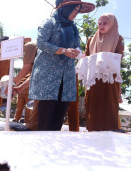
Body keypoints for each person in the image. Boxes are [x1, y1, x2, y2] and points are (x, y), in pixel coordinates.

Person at [27, 0, 95, 131]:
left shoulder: (73, 28)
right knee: (46, 113)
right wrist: (63, 50)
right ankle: (41, 144)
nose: (76, 13)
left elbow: (77, 46)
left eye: (78, 10)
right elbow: (41, 42)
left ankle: (53, 145)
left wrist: (78, 53)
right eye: (74, 9)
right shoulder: (49, 22)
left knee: (60, 111)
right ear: (66, 8)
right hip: (48, 76)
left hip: (66, 76)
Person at [84, 13, 124, 131]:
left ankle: (110, 132)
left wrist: (102, 58)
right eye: (99, 23)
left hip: (110, 77)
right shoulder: (91, 39)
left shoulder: (118, 39)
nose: (101, 26)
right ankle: (92, 130)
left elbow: (119, 56)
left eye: (105, 23)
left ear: (112, 24)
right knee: (92, 104)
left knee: (109, 105)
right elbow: (86, 56)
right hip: (93, 77)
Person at [11, 37, 38, 124]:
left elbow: (27, 68)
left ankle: (29, 122)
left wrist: (12, 83)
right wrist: (19, 87)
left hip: (29, 91)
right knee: (20, 107)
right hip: (22, 91)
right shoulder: (34, 47)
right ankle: (18, 119)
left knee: (29, 107)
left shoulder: (29, 46)